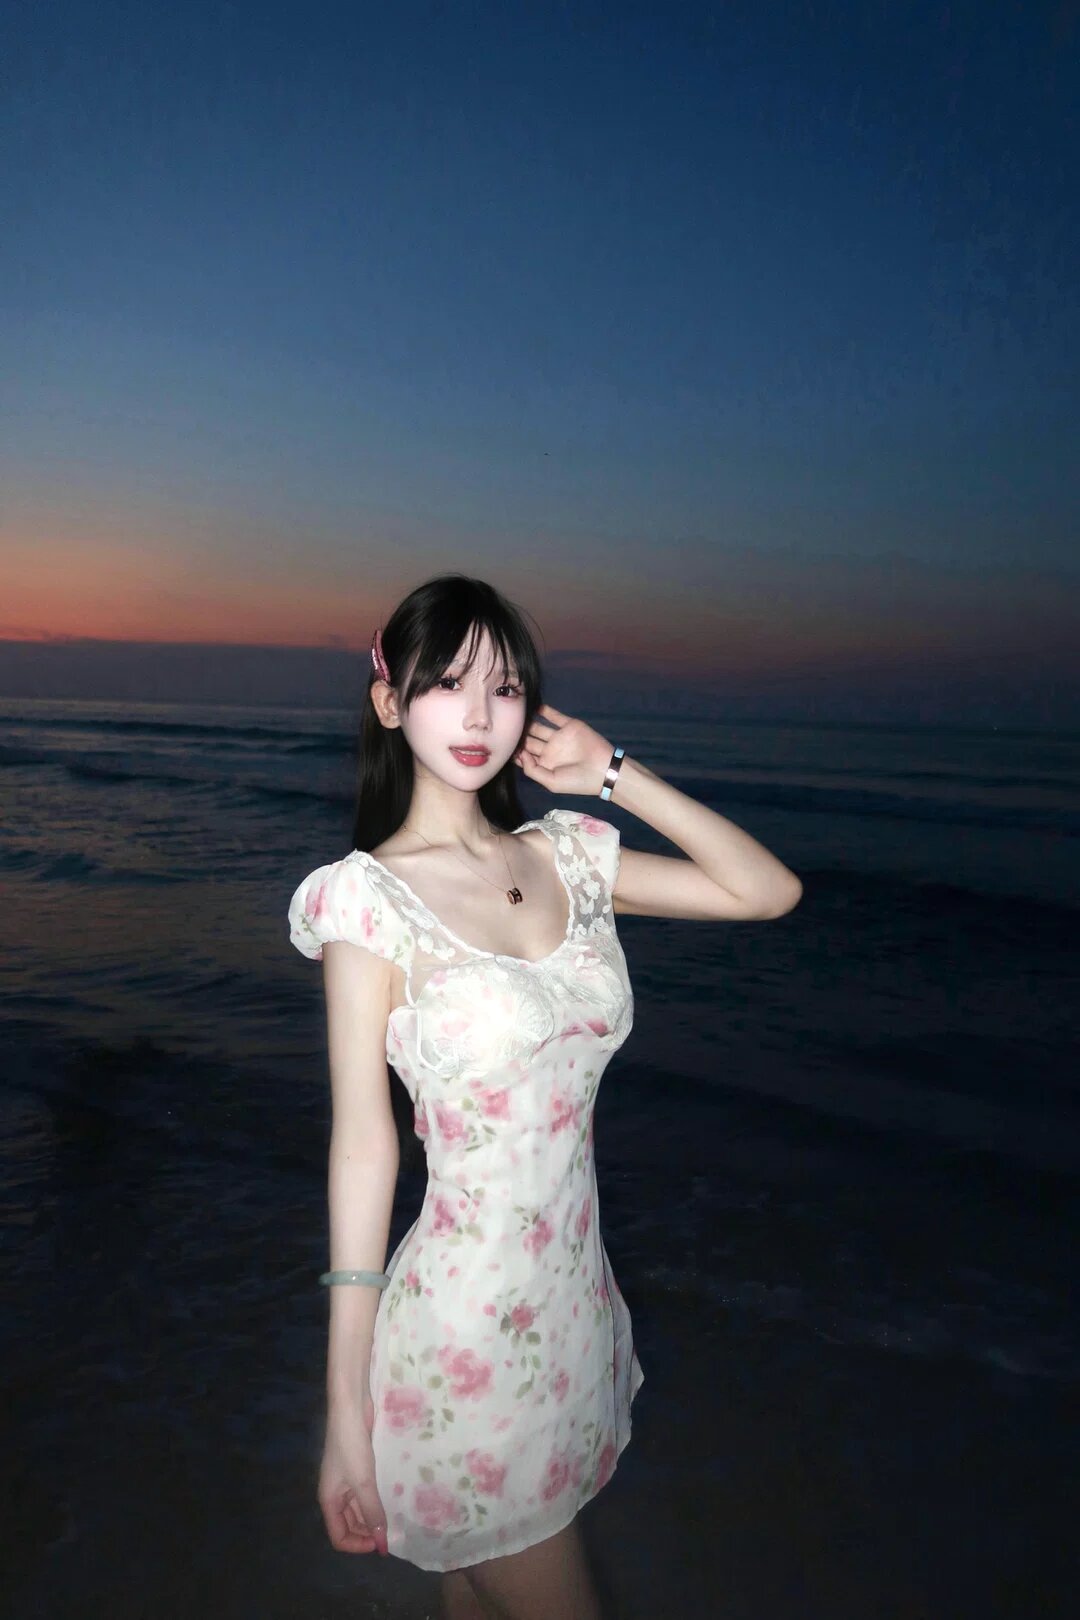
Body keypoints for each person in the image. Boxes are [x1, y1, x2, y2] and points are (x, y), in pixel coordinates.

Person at [288, 573, 802, 1620]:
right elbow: (364, 1150)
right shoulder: (369, 901)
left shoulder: (568, 855)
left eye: (507, 686)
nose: (480, 715)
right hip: (461, 1341)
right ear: (390, 702)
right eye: (448, 683)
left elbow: (765, 891)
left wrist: (614, 774)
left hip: (571, 1311)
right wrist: (343, 1415)